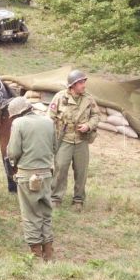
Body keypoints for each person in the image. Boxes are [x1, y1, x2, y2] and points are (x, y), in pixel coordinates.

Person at [7, 96, 57, 261]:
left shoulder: (18, 124)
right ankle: (48, 253)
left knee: (30, 214)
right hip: (47, 174)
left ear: (17, 113)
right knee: (46, 213)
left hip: (27, 176)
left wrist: (15, 162)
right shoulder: (49, 122)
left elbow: (13, 152)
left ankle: (35, 256)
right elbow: (55, 147)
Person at [48, 70, 100, 212]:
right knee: (60, 168)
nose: (84, 85)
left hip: (81, 140)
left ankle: (78, 200)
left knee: (81, 171)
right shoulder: (59, 97)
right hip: (64, 139)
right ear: (73, 85)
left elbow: (96, 116)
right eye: (81, 82)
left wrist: (88, 126)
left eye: (84, 82)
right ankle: (55, 198)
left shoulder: (88, 99)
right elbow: (50, 117)